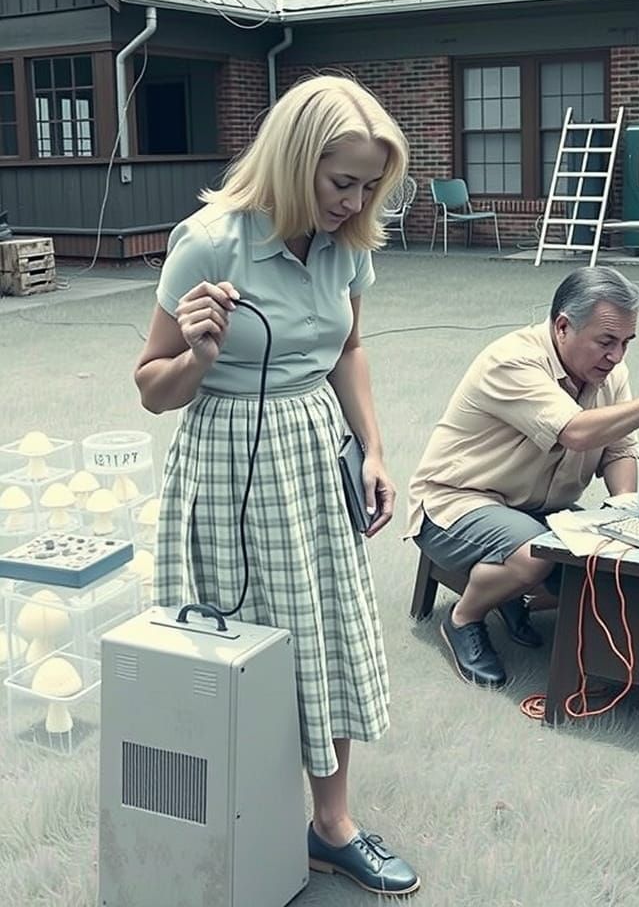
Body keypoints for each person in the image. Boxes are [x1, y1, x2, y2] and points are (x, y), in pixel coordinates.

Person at [134, 75, 419, 897]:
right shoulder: (210, 240)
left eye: (370, 186)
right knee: (236, 648)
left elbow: (347, 350)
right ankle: (233, 824)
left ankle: (331, 827)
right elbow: (152, 386)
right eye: (342, 183)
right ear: (296, 162)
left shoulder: (350, 244)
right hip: (228, 460)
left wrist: (371, 448)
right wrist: (198, 355)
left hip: (314, 454)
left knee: (325, 634)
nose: (355, 200)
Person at [405, 265, 639, 687]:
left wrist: (626, 514)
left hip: (539, 509)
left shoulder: (610, 372)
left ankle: (509, 595)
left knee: (601, 569)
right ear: (563, 326)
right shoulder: (512, 360)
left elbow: (619, 449)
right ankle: (463, 618)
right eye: (605, 342)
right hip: (458, 503)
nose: (616, 356)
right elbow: (576, 432)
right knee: (535, 556)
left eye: (625, 343)